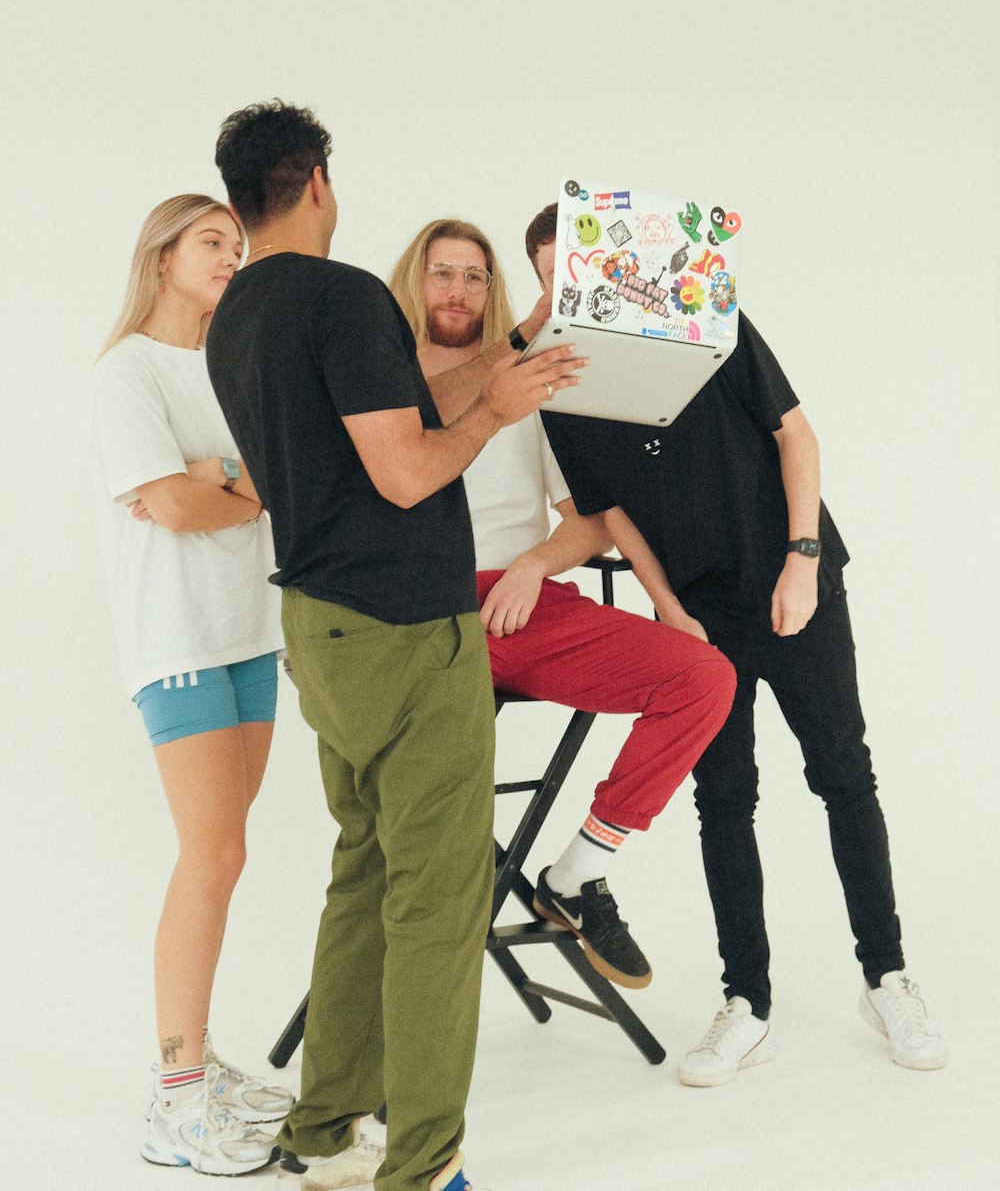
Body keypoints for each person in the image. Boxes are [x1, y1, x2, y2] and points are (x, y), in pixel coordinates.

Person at [205, 102, 582, 1191]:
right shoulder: (345, 296)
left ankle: (323, 1131)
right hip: (407, 632)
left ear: (244, 195)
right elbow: (411, 468)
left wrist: (510, 354)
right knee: (436, 894)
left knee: (364, 871)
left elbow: (395, 415)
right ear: (318, 179)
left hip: (320, 629)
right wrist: (498, 415)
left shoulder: (242, 313)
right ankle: (421, 1163)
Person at [526, 202, 948, 1087]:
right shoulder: (559, 382)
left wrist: (801, 560)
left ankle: (887, 978)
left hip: (795, 583)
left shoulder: (705, 318)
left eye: (580, 267)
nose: (573, 288)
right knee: (724, 797)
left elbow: (796, 432)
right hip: (702, 611)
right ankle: (746, 1003)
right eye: (552, 276)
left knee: (843, 775)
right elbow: (609, 513)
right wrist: (667, 607)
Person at [388, 219, 736, 990]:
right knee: (419, 801)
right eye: (441, 272)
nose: (457, 289)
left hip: (520, 607)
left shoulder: (528, 386)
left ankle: (578, 872)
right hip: (416, 619)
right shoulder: (380, 380)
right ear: (414, 281)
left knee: (703, 677)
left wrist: (532, 565)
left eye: (474, 276)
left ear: (493, 288)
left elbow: (591, 515)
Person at [91, 195, 290, 1174]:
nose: (232, 256)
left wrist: (226, 476)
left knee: (226, 853)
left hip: (250, 634)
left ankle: (199, 1061)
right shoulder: (125, 370)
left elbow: (271, 488)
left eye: (238, 244)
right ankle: (175, 1099)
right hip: (175, 643)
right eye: (214, 241)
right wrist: (228, 483)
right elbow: (169, 504)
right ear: (162, 256)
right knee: (207, 857)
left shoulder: (229, 368)